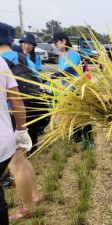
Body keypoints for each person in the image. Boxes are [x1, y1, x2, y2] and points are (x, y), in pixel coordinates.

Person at [0, 22, 39, 221]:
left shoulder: (2, 61)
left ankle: (28, 206)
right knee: (23, 159)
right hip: (32, 111)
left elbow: (13, 99)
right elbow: (38, 78)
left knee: (16, 164)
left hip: (12, 117)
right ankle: (34, 195)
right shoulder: (23, 58)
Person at [51, 31, 94, 148]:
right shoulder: (61, 56)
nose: (56, 46)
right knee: (72, 114)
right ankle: (77, 136)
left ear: (64, 41)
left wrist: (54, 75)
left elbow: (69, 71)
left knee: (83, 115)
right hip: (68, 90)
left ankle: (89, 140)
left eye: (57, 43)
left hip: (78, 89)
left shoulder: (73, 54)